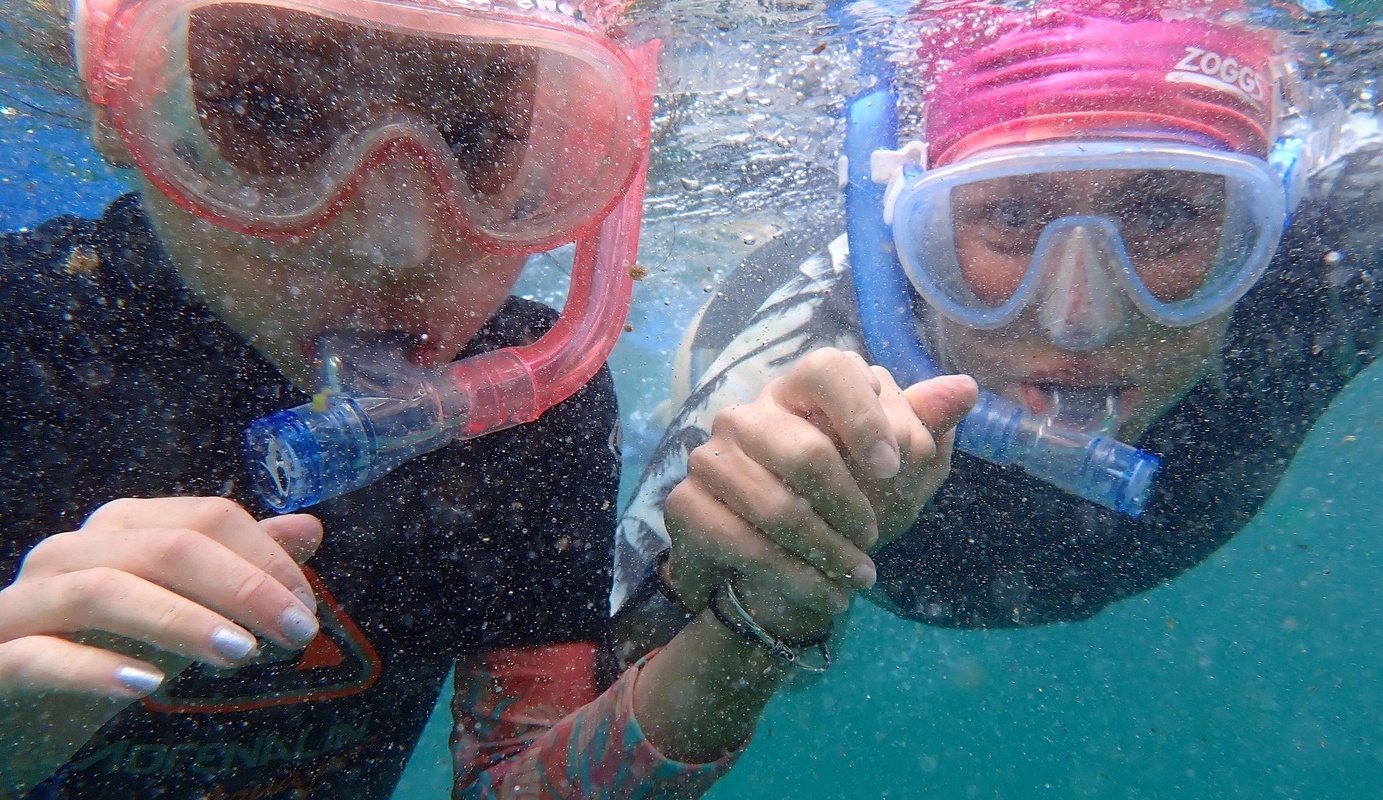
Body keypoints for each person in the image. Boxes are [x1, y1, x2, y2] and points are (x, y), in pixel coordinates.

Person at [0, 0, 849, 795]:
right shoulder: (23, 333)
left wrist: (752, 630)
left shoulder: (538, 410)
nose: (392, 244)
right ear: (119, 107)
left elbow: (510, 778)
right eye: (271, 111)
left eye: (476, 134)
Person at [613, 0, 1383, 647]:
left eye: (1167, 213)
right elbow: (556, 740)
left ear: (1266, 223)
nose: (1078, 319)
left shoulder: (1339, 257)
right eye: (1007, 216)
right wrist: (713, 591)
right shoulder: (800, 375)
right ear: (907, 230)